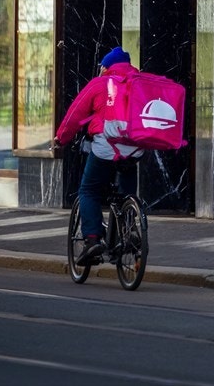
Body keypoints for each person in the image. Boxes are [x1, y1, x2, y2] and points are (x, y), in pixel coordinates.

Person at [55, 47, 141, 265]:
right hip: (135, 148)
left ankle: (92, 239)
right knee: (126, 190)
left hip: (106, 147)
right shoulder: (140, 82)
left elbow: (75, 115)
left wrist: (60, 139)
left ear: (106, 67)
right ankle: (129, 227)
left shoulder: (100, 84)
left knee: (89, 190)